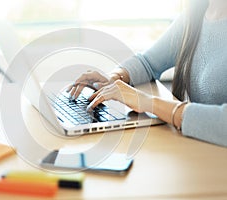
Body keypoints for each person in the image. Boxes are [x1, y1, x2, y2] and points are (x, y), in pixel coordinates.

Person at [67, 0, 227, 147]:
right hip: (201, 146)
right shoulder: (195, 15)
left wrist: (149, 102)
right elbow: (148, 62)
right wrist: (114, 78)